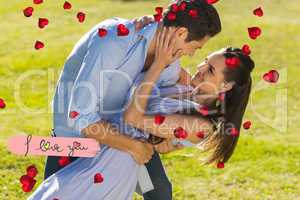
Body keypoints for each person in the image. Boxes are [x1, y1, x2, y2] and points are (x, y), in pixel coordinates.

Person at [28, 27, 254, 199]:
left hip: (118, 153)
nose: (200, 67)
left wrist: (158, 65)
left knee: (158, 191)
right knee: (54, 182)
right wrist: (145, 27)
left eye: (210, 70)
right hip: (101, 137)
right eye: (205, 60)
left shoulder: (201, 123)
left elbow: (135, 120)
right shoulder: (188, 85)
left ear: (225, 87)